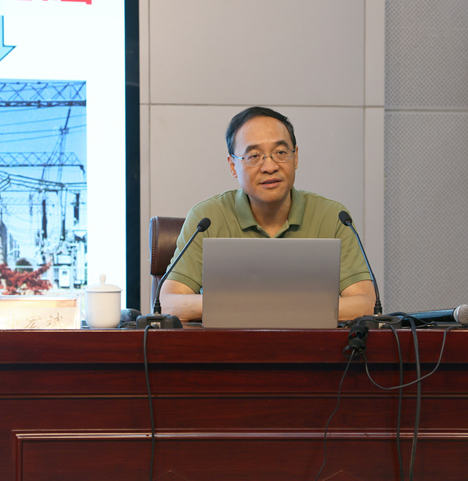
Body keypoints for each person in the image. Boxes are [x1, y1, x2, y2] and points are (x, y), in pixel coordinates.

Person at [160, 106, 376, 322]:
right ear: (233, 166)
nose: (270, 166)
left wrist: (247, 306)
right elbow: (170, 303)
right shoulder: (207, 218)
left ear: (295, 157)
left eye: (280, 153)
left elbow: (365, 303)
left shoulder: (333, 217)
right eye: (254, 156)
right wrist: (283, 307)